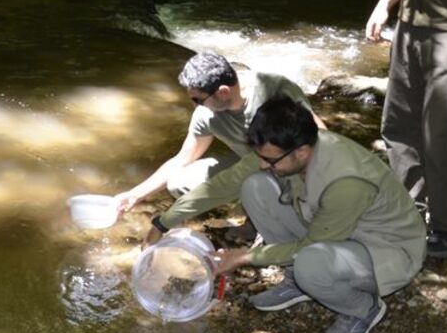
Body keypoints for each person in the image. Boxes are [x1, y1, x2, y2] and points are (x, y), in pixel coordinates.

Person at [148, 98, 426, 333]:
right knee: (254, 186)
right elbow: (223, 184)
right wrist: (163, 221)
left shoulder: (346, 182)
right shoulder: (288, 148)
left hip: (385, 250)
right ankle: (299, 281)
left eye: (269, 159)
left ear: (302, 152)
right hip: (335, 231)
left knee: (310, 262)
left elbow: (311, 245)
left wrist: (244, 257)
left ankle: (361, 310)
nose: (261, 163)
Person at [114, 51, 325, 216]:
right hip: (251, 163)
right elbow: (182, 159)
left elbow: (320, 133)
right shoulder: (206, 115)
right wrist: (134, 195)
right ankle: (249, 204)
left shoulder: (273, 88)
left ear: (223, 92)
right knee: (179, 183)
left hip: (291, 162)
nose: (195, 105)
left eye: (198, 99)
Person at [366, 0, 447, 257]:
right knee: (398, 124)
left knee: (444, 134)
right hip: (409, 27)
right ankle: (410, 209)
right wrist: (385, 4)